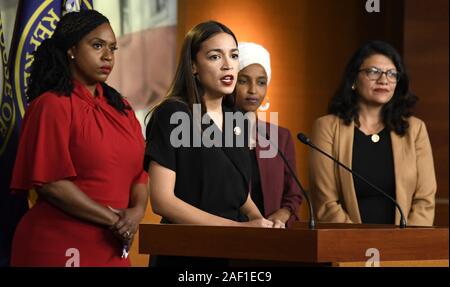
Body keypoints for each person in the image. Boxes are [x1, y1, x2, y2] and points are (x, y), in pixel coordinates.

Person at [10, 10, 148, 266]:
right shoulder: (51, 105)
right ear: (72, 50)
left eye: (113, 48)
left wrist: (137, 213)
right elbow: (51, 183)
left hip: (114, 245)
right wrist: (117, 221)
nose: (108, 56)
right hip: (58, 242)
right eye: (97, 46)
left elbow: (140, 173)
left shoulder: (123, 108)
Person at [144, 21, 275, 266]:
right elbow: (163, 201)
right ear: (193, 65)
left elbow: (237, 190)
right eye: (215, 57)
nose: (228, 65)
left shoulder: (238, 119)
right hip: (184, 251)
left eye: (234, 56)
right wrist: (236, 228)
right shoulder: (173, 114)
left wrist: (260, 221)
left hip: (230, 252)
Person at [309, 40, 436, 226]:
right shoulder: (327, 127)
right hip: (345, 245)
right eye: (373, 72)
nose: (384, 80)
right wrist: (358, 243)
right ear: (353, 79)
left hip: (402, 249)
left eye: (392, 74)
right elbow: (325, 201)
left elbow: (425, 200)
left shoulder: (415, 130)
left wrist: (405, 243)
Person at [234, 42, 302, 228]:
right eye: (243, 80)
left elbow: (293, 195)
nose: (253, 90)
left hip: (270, 241)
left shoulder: (280, 137)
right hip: (227, 239)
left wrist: (281, 215)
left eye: (261, 82)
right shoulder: (213, 134)